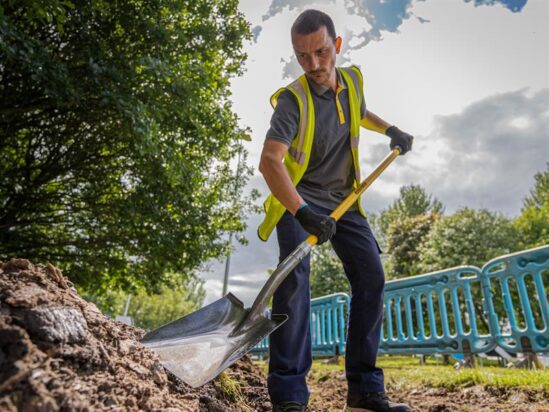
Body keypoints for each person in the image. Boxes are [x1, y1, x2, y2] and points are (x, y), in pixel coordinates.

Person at [258, 9, 414, 412]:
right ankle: (289, 396)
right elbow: (271, 162)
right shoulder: (292, 100)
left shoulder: (353, 79)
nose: (313, 64)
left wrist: (389, 129)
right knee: (293, 286)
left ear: (337, 46)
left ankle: (364, 390)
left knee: (371, 276)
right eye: (303, 56)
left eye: (321, 52)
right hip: (302, 200)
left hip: (347, 200)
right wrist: (304, 212)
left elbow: (358, 110)